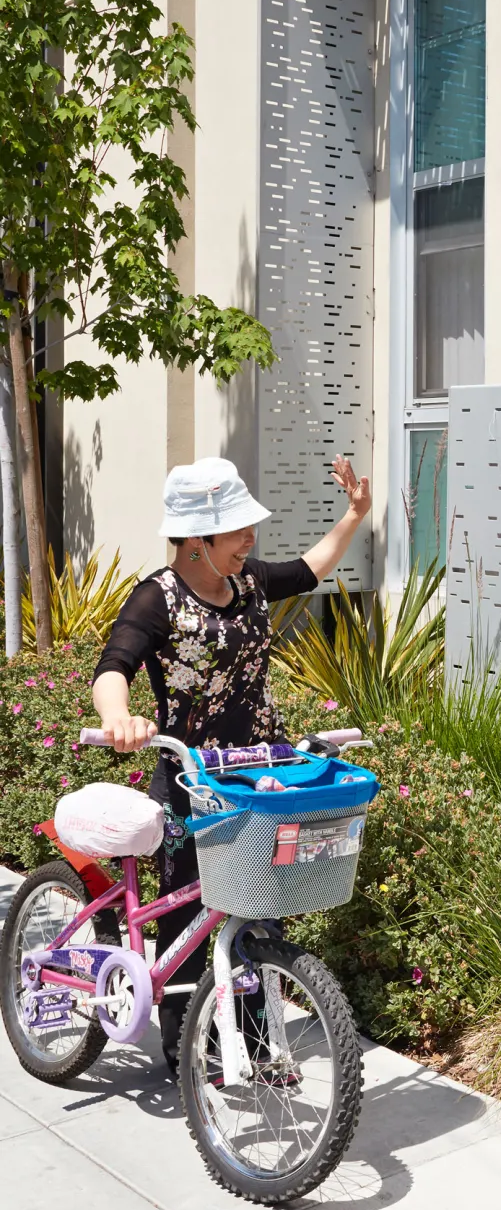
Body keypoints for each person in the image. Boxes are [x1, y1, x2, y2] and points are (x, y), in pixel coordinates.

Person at [91, 453, 372, 1072]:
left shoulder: (248, 584)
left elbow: (307, 569)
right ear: (197, 538)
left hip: (260, 773)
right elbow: (114, 667)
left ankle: (254, 1036)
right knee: (190, 911)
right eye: (237, 528)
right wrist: (120, 718)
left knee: (259, 902)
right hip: (193, 779)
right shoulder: (156, 599)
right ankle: (190, 1047)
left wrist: (355, 516)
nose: (250, 538)